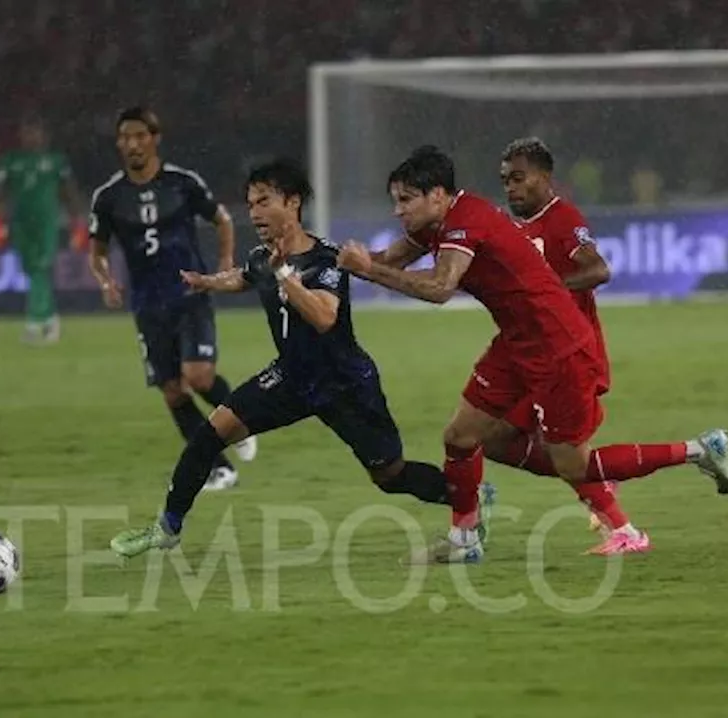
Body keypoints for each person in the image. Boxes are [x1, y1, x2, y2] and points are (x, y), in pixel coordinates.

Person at [340, 145, 728, 562]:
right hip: (516, 343)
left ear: (436, 194)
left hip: (557, 346)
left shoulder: (466, 222)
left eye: (405, 200)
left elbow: (440, 287)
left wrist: (368, 269)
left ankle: (699, 451)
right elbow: (384, 261)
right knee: (461, 437)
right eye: (395, 201)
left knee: (575, 466)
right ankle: (464, 541)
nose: (397, 211)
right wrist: (323, 259)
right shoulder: (435, 223)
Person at [110, 159, 472, 559]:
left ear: (293, 202)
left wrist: (285, 275)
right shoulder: (264, 257)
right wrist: (206, 282)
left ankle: (470, 498)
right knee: (209, 436)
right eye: (250, 204)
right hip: (291, 378)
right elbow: (245, 276)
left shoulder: (326, 259)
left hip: (344, 384)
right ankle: (167, 528)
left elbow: (323, 317)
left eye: (264, 201)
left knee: (389, 475)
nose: (255, 212)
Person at [88, 107, 255, 491]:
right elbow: (97, 251)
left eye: (139, 136)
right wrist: (105, 280)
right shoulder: (109, 197)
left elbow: (222, 219)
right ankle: (218, 469)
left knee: (198, 376)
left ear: (154, 138)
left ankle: (240, 422)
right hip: (148, 305)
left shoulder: (182, 183)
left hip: (190, 293)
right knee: (171, 390)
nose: (132, 144)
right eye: (124, 138)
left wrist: (226, 261)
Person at [0, 116, 87, 343]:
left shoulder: (56, 161)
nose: (31, 137)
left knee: (41, 268)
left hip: (46, 222)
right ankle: (51, 319)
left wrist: (78, 223)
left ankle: (33, 323)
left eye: (35, 132)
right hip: (21, 222)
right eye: (27, 133)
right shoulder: (10, 161)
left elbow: (70, 193)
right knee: (32, 269)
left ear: (44, 136)